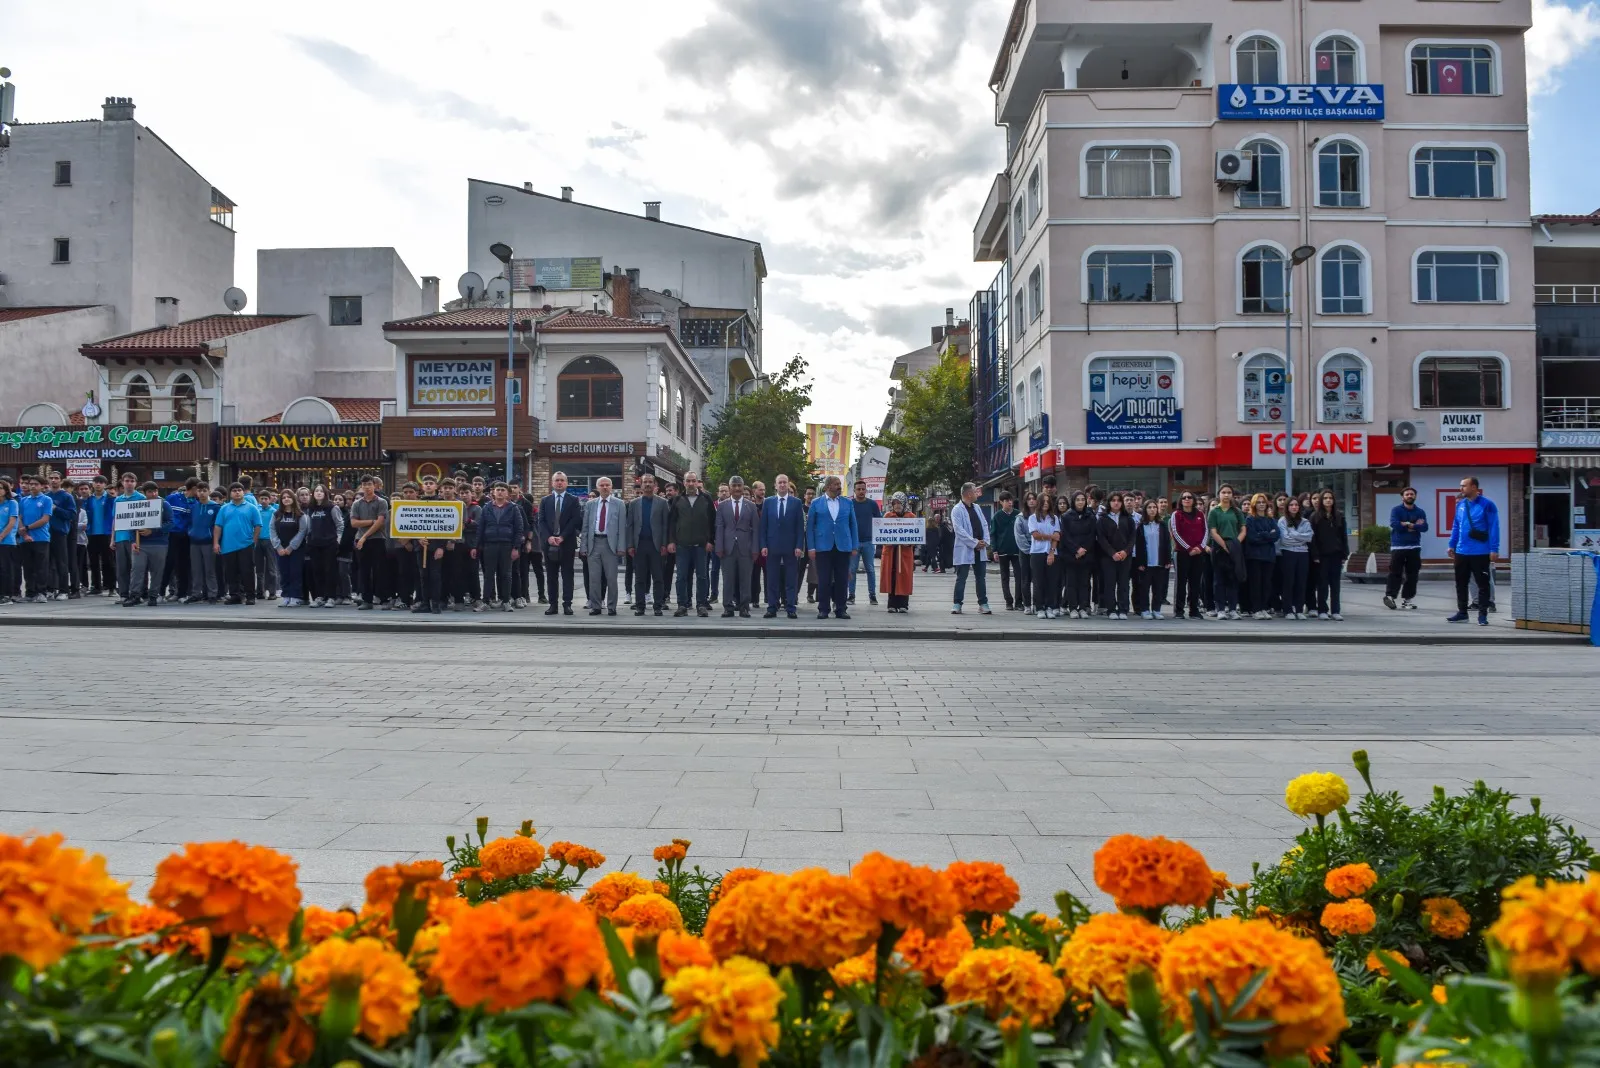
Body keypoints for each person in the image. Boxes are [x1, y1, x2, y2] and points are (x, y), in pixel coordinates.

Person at [1447, 476, 1499, 626]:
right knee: (1460, 583)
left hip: (1480, 552)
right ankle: (1462, 612)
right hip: (1462, 551)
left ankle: (1482, 615)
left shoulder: (1487, 505)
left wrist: (1494, 548)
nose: (1461, 488)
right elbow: (1456, 526)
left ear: (1474, 487)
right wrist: (1452, 544)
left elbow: (1494, 527)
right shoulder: (1461, 505)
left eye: (1464, 486)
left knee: (1483, 584)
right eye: (1460, 485)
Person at [807, 474, 858, 619]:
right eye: (836, 484)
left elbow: (853, 524)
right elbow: (810, 527)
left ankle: (841, 608)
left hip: (843, 546)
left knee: (842, 578)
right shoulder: (816, 503)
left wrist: (854, 545)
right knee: (824, 579)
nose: (839, 487)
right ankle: (823, 608)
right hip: (823, 546)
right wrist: (811, 547)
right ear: (828, 486)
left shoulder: (848, 503)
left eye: (839, 484)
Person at [669, 471, 716, 617]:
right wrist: (671, 541)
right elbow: (672, 522)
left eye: (693, 481)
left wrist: (711, 541)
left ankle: (701, 605)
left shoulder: (707, 499)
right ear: (683, 483)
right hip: (682, 545)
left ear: (697, 482)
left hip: (701, 546)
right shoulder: (677, 500)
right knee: (681, 577)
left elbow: (713, 522)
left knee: (702, 576)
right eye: (688, 481)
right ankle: (682, 605)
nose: (690, 484)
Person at [760, 473, 805, 619]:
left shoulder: (796, 503)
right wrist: (763, 545)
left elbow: (799, 527)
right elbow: (763, 526)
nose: (782, 485)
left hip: (791, 547)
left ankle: (790, 607)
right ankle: (772, 606)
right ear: (775, 485)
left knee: (791, 578)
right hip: (772, 546)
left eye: (785, 482)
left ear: (788, 484)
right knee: (772, 578)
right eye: (779, 482)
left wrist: (799, 545)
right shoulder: (768, 502)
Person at [715, 475, 759, 618]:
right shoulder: (722, 506)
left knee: (745, 579)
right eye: (734, 486)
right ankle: (728, 607)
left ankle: (744, 607)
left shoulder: (751, 506)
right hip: (727, 548)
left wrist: (755, 549)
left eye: (739, 485)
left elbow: (756, 529)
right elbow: (719, 527)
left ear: (743, 486)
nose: (737, 488)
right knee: (728, 579)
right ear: (729, 488)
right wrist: (719, 547)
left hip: (745, 548)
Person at [626, 473, 671, 616]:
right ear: (641, 484)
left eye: (650, 482)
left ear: (655, 485)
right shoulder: (634, 504)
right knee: (639, 578)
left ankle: (658, 606)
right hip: (640, 545)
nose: (647, 484)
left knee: (658, 577)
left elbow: (665, 525)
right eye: (645, 482)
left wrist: (664, 544)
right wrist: (630, 545)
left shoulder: (662, 503)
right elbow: (630, 526)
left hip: (656, 545)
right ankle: (640, 606)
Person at [538, 472, 581, 616]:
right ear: (552, 483)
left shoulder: (574, 500)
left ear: (566, 483)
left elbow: (574, 521)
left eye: (562, 480)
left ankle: (567, 604)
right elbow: (541, 521)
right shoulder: (545, 500)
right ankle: (553, 605)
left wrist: (562, 536)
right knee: (551, 576)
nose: (559, 483)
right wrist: (548, 537)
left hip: (566, 543)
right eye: (557, 480)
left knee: (567, 575)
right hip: (549, 544)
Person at [579, 477, 624, 615]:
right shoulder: (590, 504)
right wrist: (583, 546)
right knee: (594, 578)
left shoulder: (619, 504)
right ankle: (596, 606)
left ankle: (612, 607)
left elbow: (622, 527)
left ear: (611, 487)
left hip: (610, 545)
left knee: (611, 578)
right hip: (594, 543)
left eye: (607, 485)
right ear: (597, 487)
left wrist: (621, 546)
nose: (605, 487)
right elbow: (585, 527)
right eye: (602, 485)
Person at [213, 482, 261, 605]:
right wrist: (216, 543)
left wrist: (254, 541)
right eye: (234, 490)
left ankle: (250, 596)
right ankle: (235, 595)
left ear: (243, 491)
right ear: (230, 493)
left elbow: (257, 526)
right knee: (231, 572)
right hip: (228, 545)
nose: (237, 492)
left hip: (246, 545)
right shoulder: (224, 508)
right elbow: (218, 526)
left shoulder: (251, 507)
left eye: (239, 490)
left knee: (247, 571)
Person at [949, 482, 992, 615]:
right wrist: (974, 543)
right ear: (968, 494)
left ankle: (983, 603)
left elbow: (984, 525)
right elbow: (959, 530)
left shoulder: (977, 508)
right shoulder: (957, 509)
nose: (977, 494)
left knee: (981, 577)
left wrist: (984, 542)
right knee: (962, 577)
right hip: (966, 548)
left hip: (980, 548)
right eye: (975, 491)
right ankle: (957, 603)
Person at [1384, 487, 1428, 611]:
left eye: (1412, 494)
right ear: (1402, 497)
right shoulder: (1396, 510)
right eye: (1407, 494)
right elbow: (1395, 524)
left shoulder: (1420, 511)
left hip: (1414, 546)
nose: (1409, 496)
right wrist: (1414, 525)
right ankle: (1390, 596)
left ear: (1415, 496)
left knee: (1412, 575)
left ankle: (1407, 599)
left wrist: (1407, 524)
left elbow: (1424, 527)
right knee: (1395, 572)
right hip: (1398, 546)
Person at [349, 476, 388, 610]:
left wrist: (364, 536)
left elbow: (380, 522)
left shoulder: (381, 502)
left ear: (375, 486)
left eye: (369, 484)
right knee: (364, 571)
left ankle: (384, 599)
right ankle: (367, 600)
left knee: (380, 570)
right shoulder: (357, 503)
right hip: (360, 540)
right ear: (361, 486)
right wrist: (371, 521)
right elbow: (354, 523)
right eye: (364, 484)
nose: (367, 487)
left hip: (377, 539)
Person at [1096, 491, 1136, 620]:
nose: (1116, 502)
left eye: (1118, 500)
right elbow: (1101, 538)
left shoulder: (1128, 518)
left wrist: (1126, 551)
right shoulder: (1102, 518)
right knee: (1110, 583)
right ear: (1109, 502)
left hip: (1125, 556)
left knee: (1124, 584)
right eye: (1113, 500)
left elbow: (1132, 538)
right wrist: (1112, 553)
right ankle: (1111, 609)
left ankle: (1123, 609)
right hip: (1108, 557)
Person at [1168, 492, 1207, 621]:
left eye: (1189, 497)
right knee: (1181, 582)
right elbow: (1175, 533)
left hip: (1198, 553)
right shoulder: (1176, 514)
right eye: (1184, 497)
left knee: (1195, 582)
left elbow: (1205, 532)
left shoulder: (1200, 514)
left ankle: (1194, 610)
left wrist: (1200, 548)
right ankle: (1179, 610)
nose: (1187, 499)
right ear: (1180, 500)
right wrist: (1189, 548)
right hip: (1182, 553)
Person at [1207, 484, 1244, 620]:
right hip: (1218, 548)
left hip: (1234, 546)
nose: (1226, 495)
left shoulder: (1237, 511)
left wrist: (1236, 543)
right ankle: (1221, 608)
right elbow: (1213, 531)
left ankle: (1233, 608)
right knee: (1219, 580)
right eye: (1224, 492)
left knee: (1233, 579)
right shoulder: (1214, 511)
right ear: (1219, 494)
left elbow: (1243, 529)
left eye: (1229, 492)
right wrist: (1224, 545)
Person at [1310, 490, 1348, 621]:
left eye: (1330, 498)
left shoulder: (1339, 516)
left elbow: (1343, 536)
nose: (1328, 500)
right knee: (1322, 584)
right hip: (1321, 555)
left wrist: (1344, 553)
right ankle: (1322, 610)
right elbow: (1312, 538)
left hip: (1336, 554)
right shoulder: (1315, 516)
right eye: (1325, 498)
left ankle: (1336, 610)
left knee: (1335, 584)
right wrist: (1315, 554)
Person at [1241, 494, 1281, 619]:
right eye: (1258, 502)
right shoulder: (1250, 519)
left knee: (1266, 583)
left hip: (1268, 556)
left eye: (1263, 502)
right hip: (1254, 556)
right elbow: (1252, 538)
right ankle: (1256, 609)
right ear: (1254, 504)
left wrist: (1262, 535)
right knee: (1256, 583)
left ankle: (1264, 608)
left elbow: (1276, 536)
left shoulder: (1271, 519)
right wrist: (1267, 535)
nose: (1261, 504)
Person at [303, 485, 343, 608]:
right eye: (316, 491)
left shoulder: (332, 507)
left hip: (329, 544)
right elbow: (308, 526)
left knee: (330, 571)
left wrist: (338, 540)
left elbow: (340, 525)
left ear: (326, 493)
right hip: (314, 544)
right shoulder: (311, 509)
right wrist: (308, 540)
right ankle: (319, 596)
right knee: (317, 571)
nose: (319, 493)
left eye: (321, 491)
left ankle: (331, 597)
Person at [269, 488, 309, 607]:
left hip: (296, 549)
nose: (286, 499)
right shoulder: (276, 514)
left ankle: (295, 596)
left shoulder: (300, 515)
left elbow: (302, 531)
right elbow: (271, 530)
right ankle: (286, 596)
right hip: (280, 549)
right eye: (284, 498)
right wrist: (278, 547)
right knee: (284, 572)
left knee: (295, 572)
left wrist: (291, 547)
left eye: (289, 497)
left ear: (293, 499)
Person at [1133, 499, 1171, 619]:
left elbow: (1167, 543)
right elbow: (1138, 545)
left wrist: (1167, 560)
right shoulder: (1141, 526)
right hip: (1146, 562)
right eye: (1149, 507)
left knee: (1158, 588)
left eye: (1154, 507)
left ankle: (1156, 609)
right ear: (1145, 510)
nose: (1152, 509)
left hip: (1159, 562)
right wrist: (1139, 562)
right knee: (1144, 588)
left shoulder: (1162, 525)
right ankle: (1144, 609)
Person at [878, 492, 916, 613]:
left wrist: (909, 542)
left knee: (904, 576)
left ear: (904, 503)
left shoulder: (911, 517)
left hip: (904, 552)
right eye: (895, 503)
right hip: (891, 551)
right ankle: (892, 604)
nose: (897, 505)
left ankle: (904, 604)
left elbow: (916, 534)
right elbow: (882, 533)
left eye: (899, 503)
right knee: (892, 575)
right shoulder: (887, 516)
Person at [846, 479, 882, 606]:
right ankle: (851, 595)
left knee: (870, 569)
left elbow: (879, 522)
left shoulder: (872, 504)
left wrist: (878, 539)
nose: (861, 491)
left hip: (869, 541)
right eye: (858, 489)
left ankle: (872, 595)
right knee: (852, 569)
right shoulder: (849, 504)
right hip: (853, 543)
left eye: (863, 489)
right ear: (854, 491)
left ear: (866, 490)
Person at [1025, 492, 1060, 619]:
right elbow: (1035, 536)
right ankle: (1039, 607)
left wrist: (1051, 552)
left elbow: (1057, 537)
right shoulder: (1033, 518)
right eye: (1043, 501)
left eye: (1048, 501)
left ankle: (1050, 607)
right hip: (1037, 553)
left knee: (1051, 581)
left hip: (1051, 552)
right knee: (1038, 581)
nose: (1046, 503)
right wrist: (1050, 536)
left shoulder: (1054, 518)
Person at [160, 478, 196, 602]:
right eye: (198, 489)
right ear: (193, 488)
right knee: (168, 564)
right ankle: (160, 593)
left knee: (184, 566)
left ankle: (181, 594)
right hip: (172, 535)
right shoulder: (172, 498)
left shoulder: (197, 503)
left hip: (187, 537)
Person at [1277, 496, 1312, 620]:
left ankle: (1299, 609)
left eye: (1296, 505)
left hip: (1303, 554)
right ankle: (1288, 609)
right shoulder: (1282, 521)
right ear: (1287, 507)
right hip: (1288, 553)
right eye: (1291, 505)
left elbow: (1309, 537)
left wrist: (1294, 534)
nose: (1294, 507)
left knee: (1301, 582)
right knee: (1288, 581)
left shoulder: (1305, 521)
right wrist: (1300, 539)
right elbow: (1285, 540)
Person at [991, 491, 1025, 612]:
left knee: (1019, 576)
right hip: (1002, 550)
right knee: (1005, 577)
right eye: (1006, 500)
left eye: (1011, 500)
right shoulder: (997, 516)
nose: (1010, 502)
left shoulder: (1018, 515)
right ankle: (1008, 601)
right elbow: (993, 534)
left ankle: (1019, 601)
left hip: (1017, 550)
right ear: (1001, 502)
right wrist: (994, 550)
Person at [0, 481, 18, 605]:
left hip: (7, 541)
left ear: (6, 490)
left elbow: (12, 522)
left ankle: (7, 595)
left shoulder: (12, 503)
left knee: (6, 568)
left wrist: (1, 536)